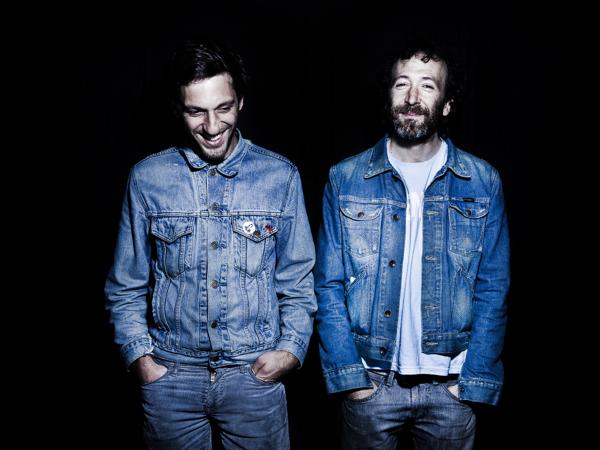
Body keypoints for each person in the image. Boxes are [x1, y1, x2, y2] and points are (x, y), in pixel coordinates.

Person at [105, 40, 316, 449]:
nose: (213, 125)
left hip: (254, 376)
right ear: (177, 109)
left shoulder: (280, 176)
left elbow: (298, 280)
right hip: (171, 378)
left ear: (241, 102)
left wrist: (290, 352)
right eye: (196, 111)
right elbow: (125, 284)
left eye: (224, 108)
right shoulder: (147, 178)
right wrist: (142, 361)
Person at [315, 40, 510, 449]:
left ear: (447, 104)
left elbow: (493, 287)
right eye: (402, 83)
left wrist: (470, 382)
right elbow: (326, 285)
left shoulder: (482, 181)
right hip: (370, 381)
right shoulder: (345, 179)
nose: (412, 97)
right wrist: (350, 377)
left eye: (427, 86)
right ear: (389, 96)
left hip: (451, 388)